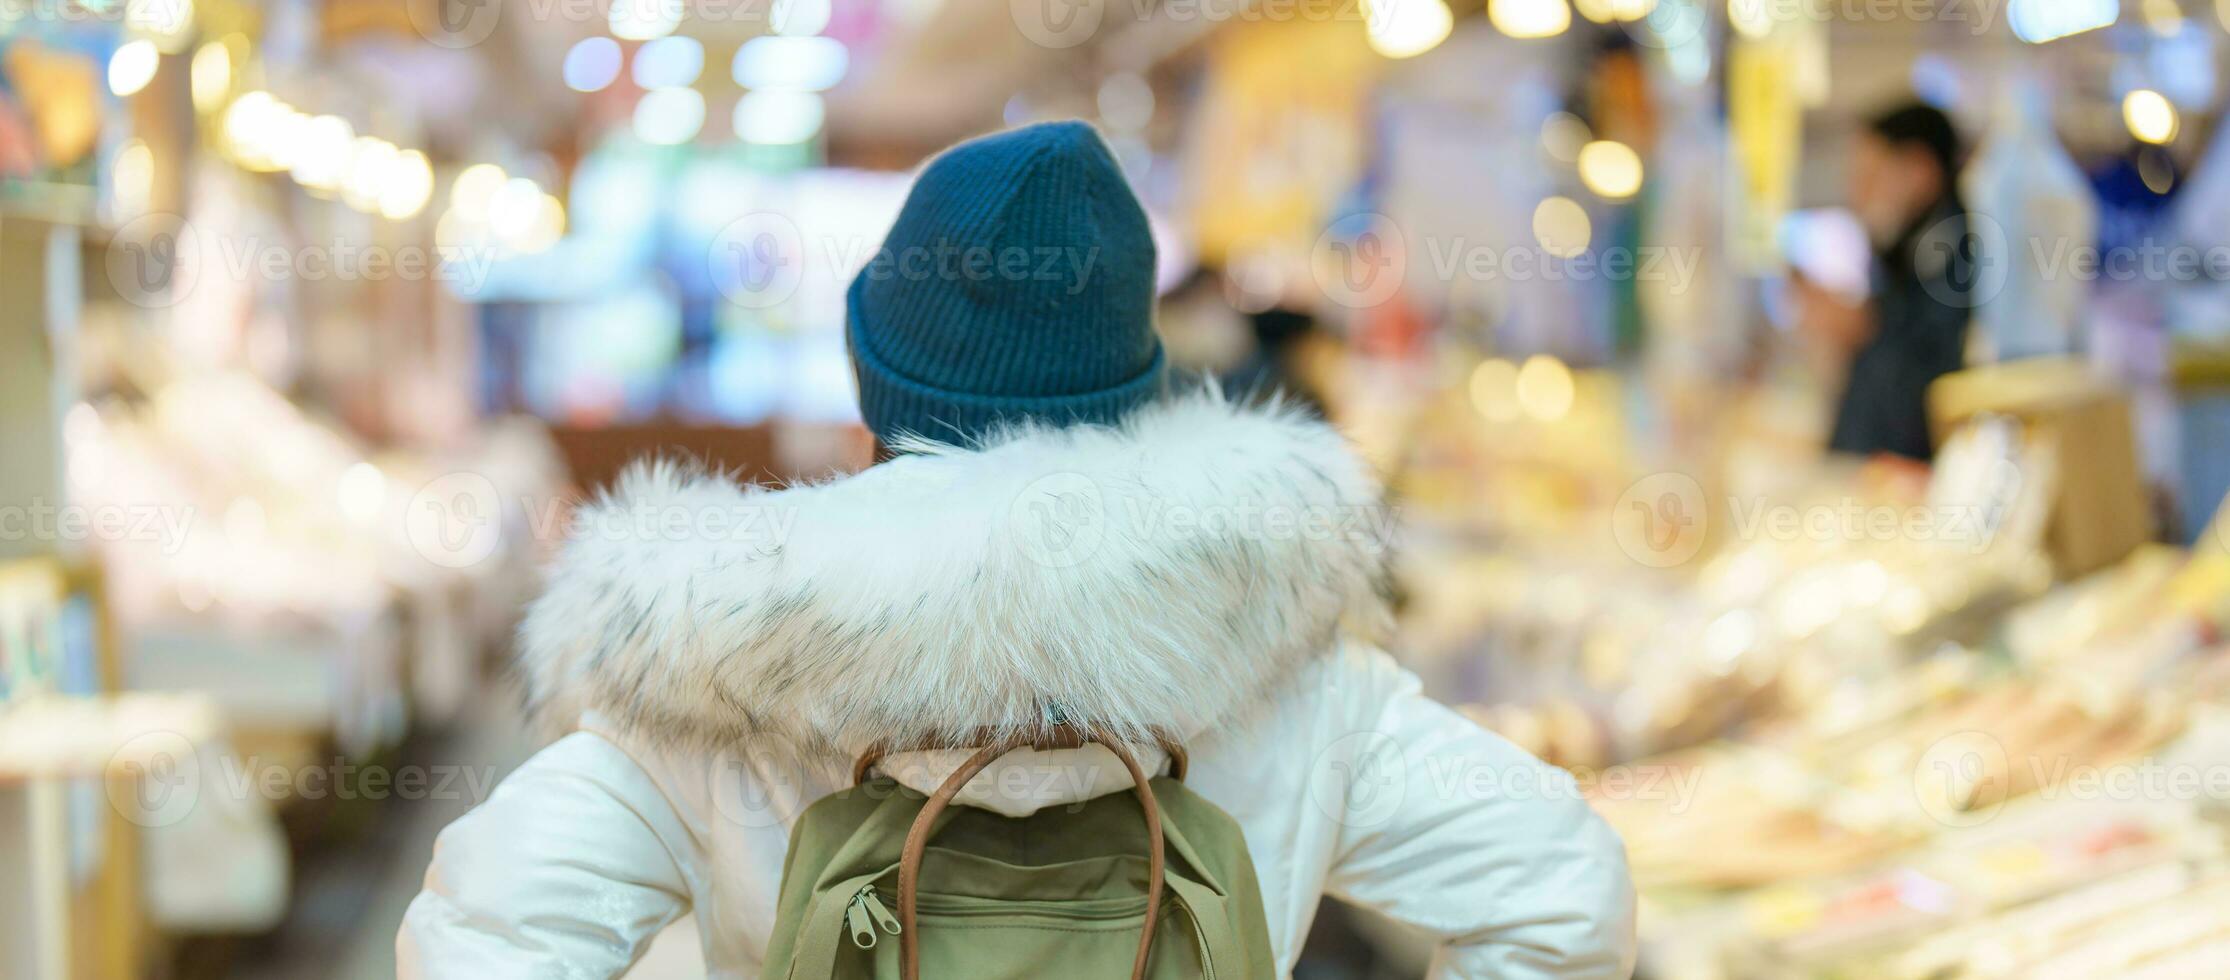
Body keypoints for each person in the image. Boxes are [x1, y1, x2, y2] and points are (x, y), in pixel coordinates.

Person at [397, 121, 1635, 978]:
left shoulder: (716, 665)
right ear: (1139, 385)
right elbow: (1561, 886)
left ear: (875, 375)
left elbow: (489, 937)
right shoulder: (1288, 664)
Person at [1814, 102, 1975, 461]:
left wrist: (1867, 328)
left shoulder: (1955, 269)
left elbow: (1933, 406)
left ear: (1919, 171)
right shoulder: (1906, 258)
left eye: (1869, 176)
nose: (1857, 194)